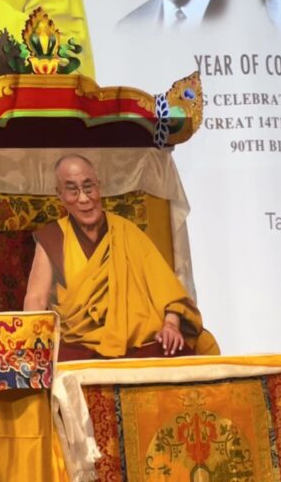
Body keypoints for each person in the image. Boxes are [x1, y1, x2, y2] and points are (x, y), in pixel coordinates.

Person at [23, 154, 219, 361]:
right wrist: (35, 345)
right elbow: (36, 298)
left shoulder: (127, 233)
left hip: (136, 343)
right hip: (80, 346)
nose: (83, 199)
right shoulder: (53, 238)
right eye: (72, 190)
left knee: (176, 351)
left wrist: (170, 325)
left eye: (88, 188)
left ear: (99, 187)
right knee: (53, 362)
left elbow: (167, 291)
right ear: (60, 195)